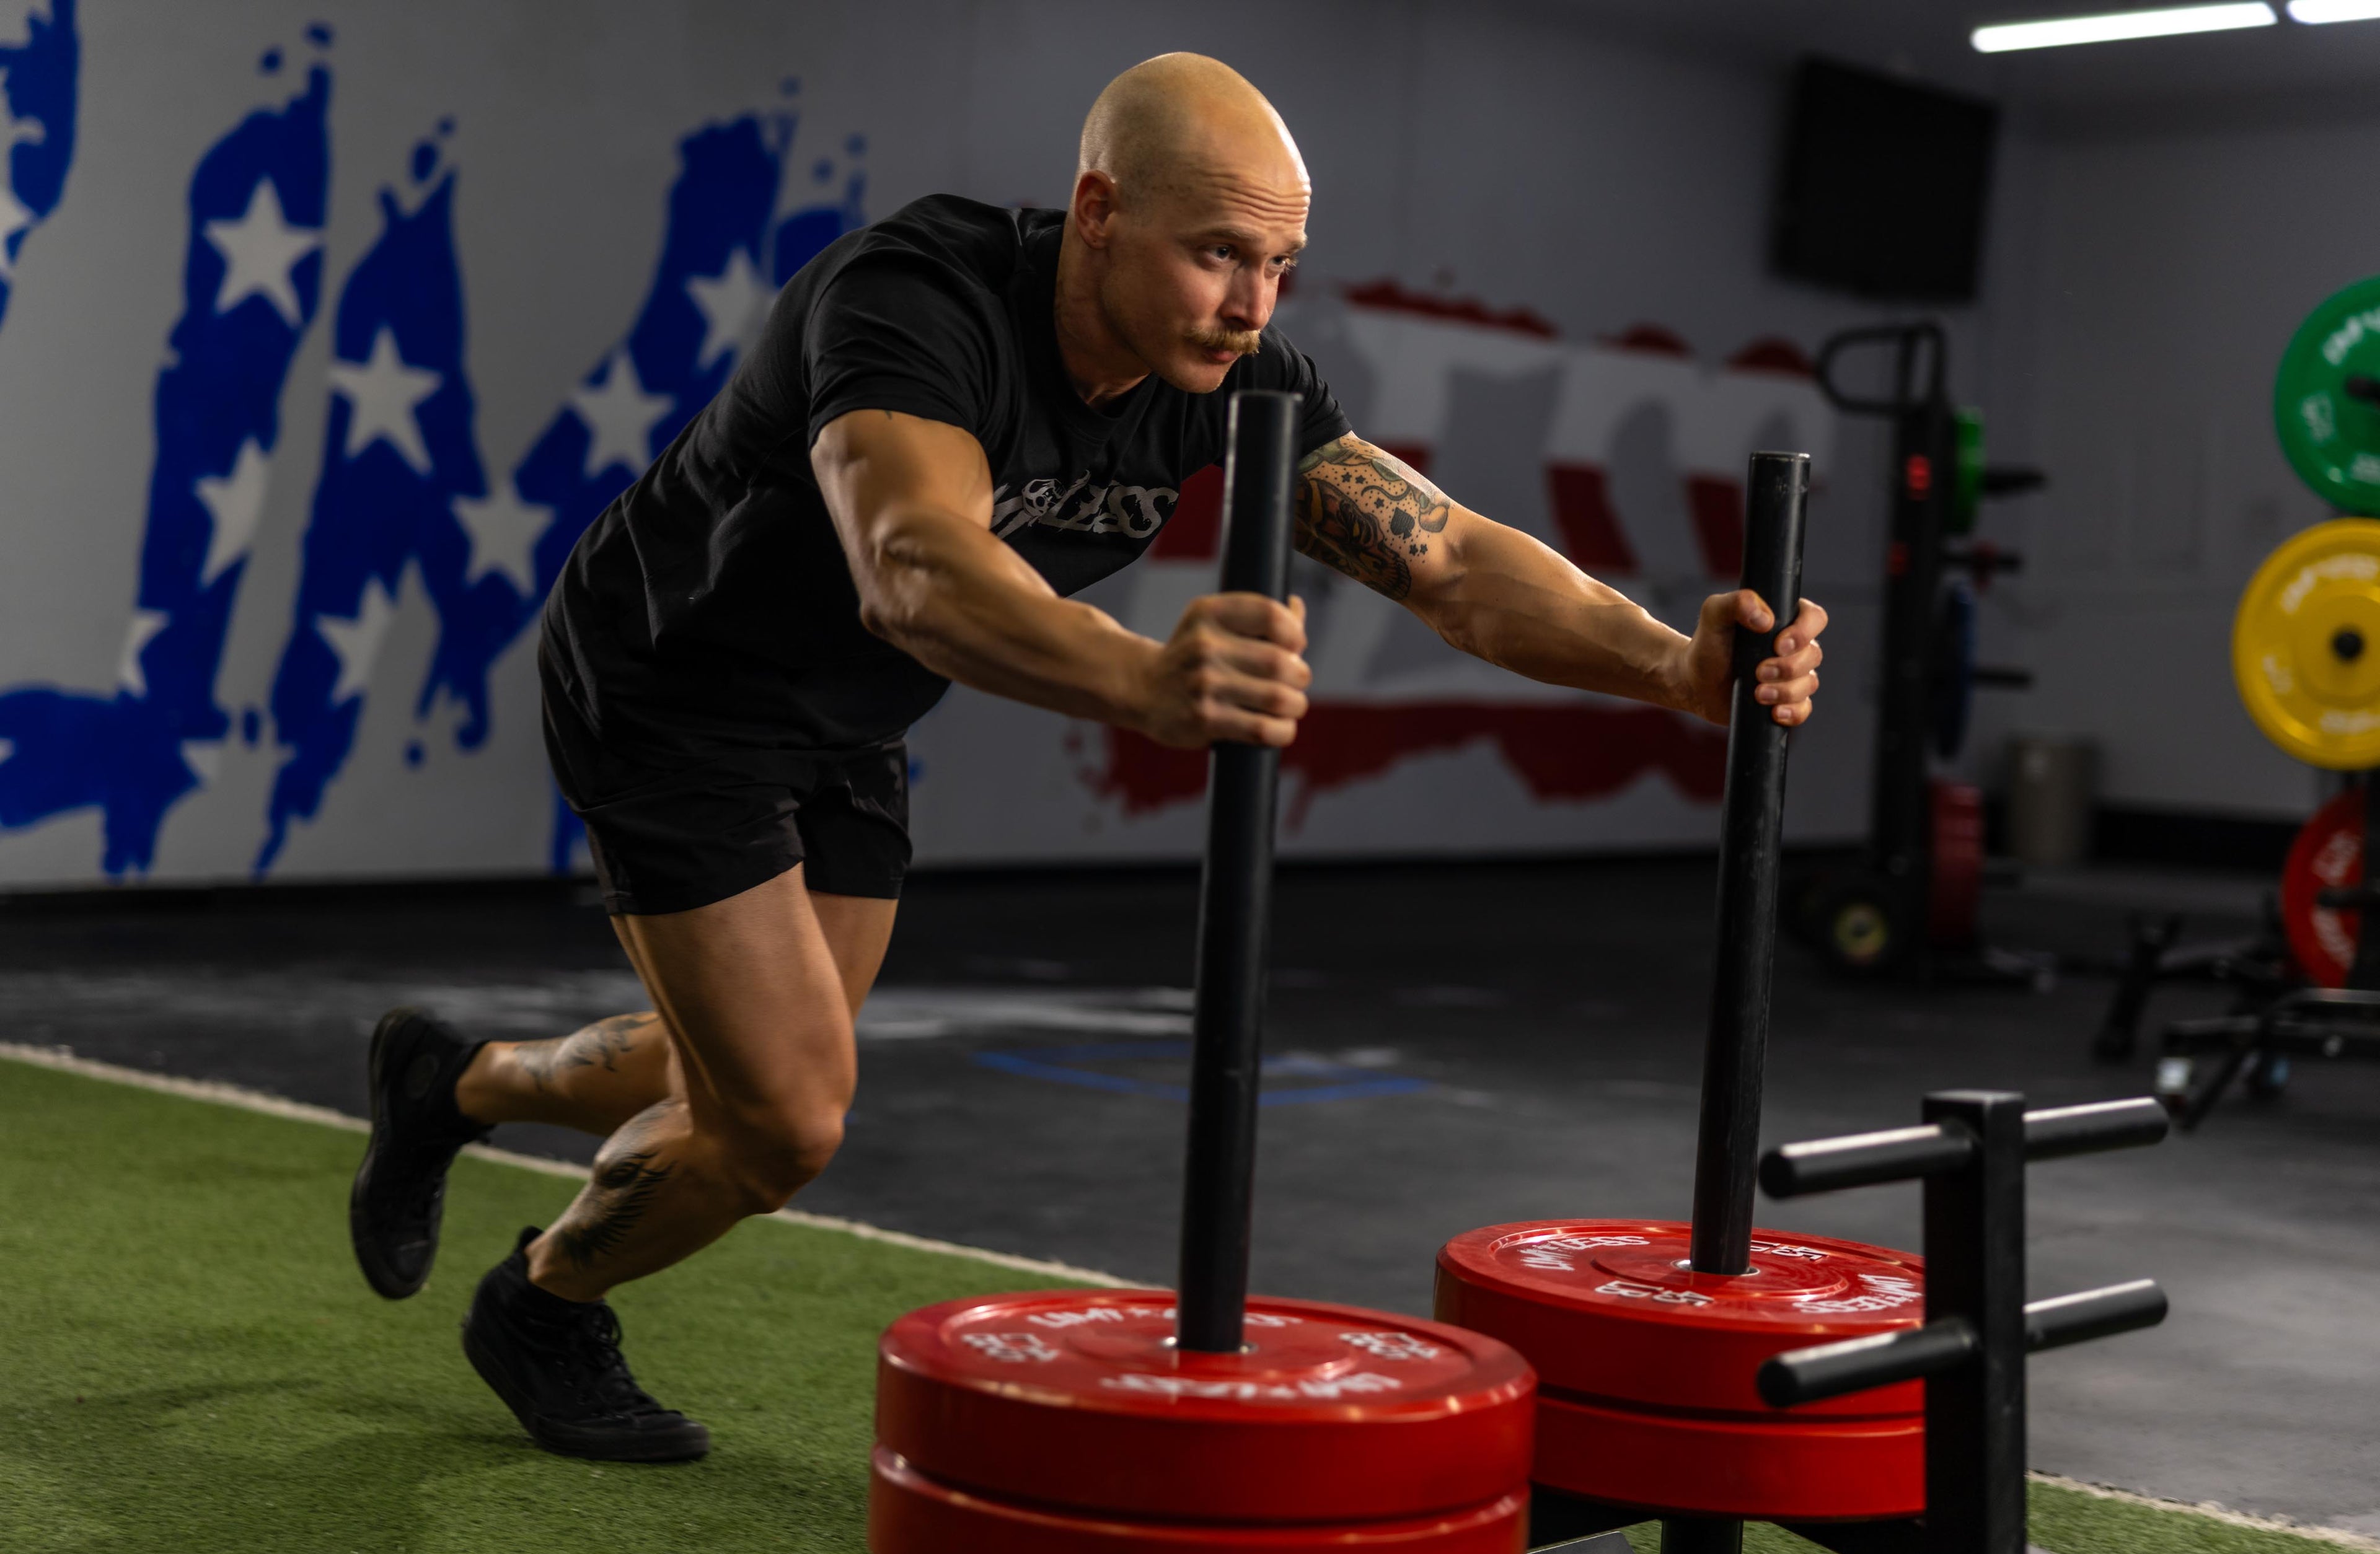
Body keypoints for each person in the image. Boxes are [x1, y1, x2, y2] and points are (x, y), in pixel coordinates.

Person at [347, 51, 1827, 1464]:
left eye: (1279, 268)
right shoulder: (917, 298)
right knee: (786, 1119)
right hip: (674, 685)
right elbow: (913, 566)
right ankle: (541, 1308)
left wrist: (1670, 669)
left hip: (857, 715)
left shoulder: (1231, 378)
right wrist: (1144, 679)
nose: (1252, 306)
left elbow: (1448, 563)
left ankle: (453, 1085)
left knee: (717, 1057)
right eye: (1218, 256)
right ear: (1102, 212)